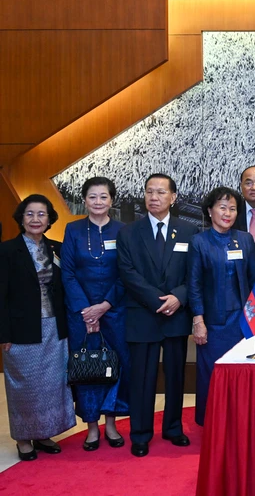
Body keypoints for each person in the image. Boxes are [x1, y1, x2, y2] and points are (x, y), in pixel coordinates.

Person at [117, 174, 199, 457]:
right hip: (143, 314)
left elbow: (195, 273)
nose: (154, 197)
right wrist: (156, 300)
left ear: (173, 197)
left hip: (176, 314)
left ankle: (173, 428)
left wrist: (179, 297)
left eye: (161, 192)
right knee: (142, 377)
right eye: (149, 192)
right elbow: (127, 273)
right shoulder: (129, 232)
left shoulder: (189, 231)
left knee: (175, 375)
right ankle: (140, 433)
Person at [0, 195, 76, 461]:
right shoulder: (7, 251)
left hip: (55, 327)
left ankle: (44, 433)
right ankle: (23, 438)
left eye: (41, 214)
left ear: (49, 219)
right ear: (21, 218)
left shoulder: (57, 248)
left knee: (52, 384)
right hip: (21, 330)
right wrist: (3, 333)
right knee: (24, 386)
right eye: (30, 214)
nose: (35, 219)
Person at [61, 177, 131, 451]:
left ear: (111, 200)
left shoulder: (123, 231)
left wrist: (104, 306)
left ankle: (111, 424)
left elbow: (127, 273)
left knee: (114, 366)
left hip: (114, 311)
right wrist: (86, 310)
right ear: (85, 200)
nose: (98, 202)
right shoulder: (73, 230)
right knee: (87, 368)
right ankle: (91, 427)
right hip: (80, 313)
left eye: (103, 197)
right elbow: (67, 273)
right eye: (93, 197)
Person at [188, 187, 255, 426]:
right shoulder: (199, 242)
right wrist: (198, 321)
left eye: (232, 208)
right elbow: (194, 285)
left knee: (243, 373)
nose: (227, 213)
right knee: (212, 374)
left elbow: (252, 281)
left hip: (242, 321)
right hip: (213, 322)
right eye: (222, 207)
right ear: (210, 210)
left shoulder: (245, 239)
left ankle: (241, 422)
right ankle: (212, 422)